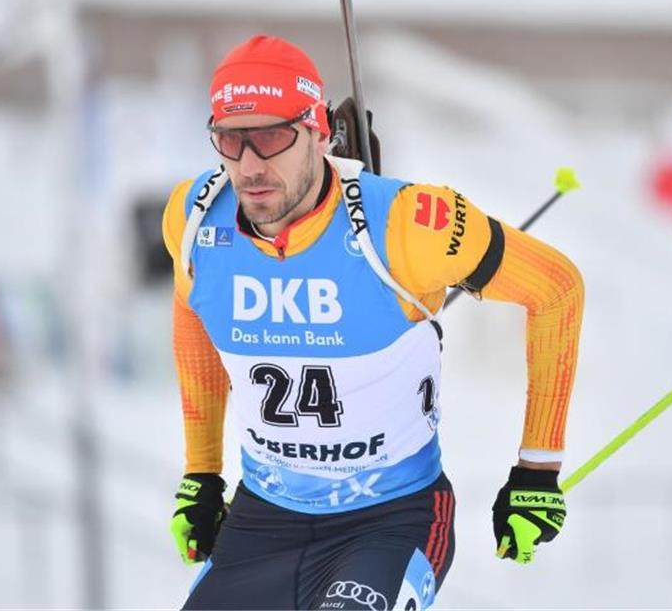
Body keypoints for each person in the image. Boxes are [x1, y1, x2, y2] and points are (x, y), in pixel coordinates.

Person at [161, 35, 584, 610]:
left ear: (318, 130)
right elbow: (192, 308)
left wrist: (537, 469)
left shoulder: (408, 224)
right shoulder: (193, 219)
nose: (250, 166)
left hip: (390, 520)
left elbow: (556, 288)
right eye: (230, 141)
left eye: (271, 137)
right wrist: (202, 474)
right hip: (262, 520)